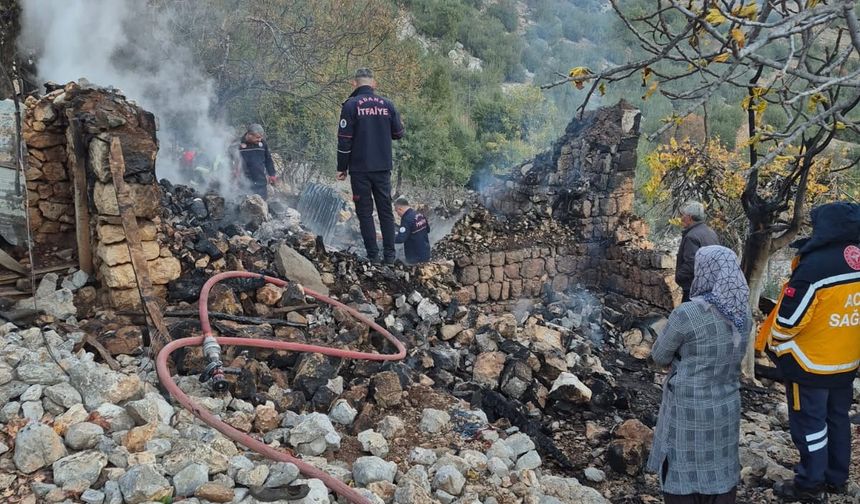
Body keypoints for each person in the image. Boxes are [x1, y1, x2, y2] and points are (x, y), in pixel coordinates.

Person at [767, 202, 860, 503]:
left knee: (810, 423)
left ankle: (809, 483)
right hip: (846, 361)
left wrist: (776, 343)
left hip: (810, 364)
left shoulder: (815, 265)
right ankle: (836, 479)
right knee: (838, 419)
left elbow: (788, 322)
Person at [647, 245, 752, 504]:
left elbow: (659, 356)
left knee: (682, 470)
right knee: (720, 469)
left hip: (688, 409)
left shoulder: (688, 314)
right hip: (726, 406)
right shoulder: (743, 315)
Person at [336, 68, 404, 264]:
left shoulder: (351, 105)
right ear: (374, 84)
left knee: (365, 212)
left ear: (354, 84)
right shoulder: (388, 105)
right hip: (383, 168)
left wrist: (342, 167)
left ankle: (373, 256)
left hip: (360, 169)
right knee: (385, 211)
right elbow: (399, 133)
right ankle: (390, 257)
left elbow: (344, 140)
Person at [675, 201, 720, 302]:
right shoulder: (711, 233)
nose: (682, 218)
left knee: (687, 316)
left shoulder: (691, 236)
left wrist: (679, 277)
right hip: (709, 287)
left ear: (689, 217)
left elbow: (691, 264)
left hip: (693, 288)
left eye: (683, 215)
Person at [234, 123, 277, 199]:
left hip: (260, 183)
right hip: (244, 183)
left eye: (261, 137)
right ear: (249, 134)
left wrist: (272, 174)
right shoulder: (237, 144)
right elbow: (227, 160)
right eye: (257, 137)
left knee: (261, 207)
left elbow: (268, 159)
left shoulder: (263, 144)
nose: (259, 139)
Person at [394, 197, 431, 265]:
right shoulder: (420, 215)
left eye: (396, 211)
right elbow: (427, 230)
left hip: (415, 258)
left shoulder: (406, 219)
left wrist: (386, 237)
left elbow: (401, 238)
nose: (397, 214)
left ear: (400, 209)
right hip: (426, 254)